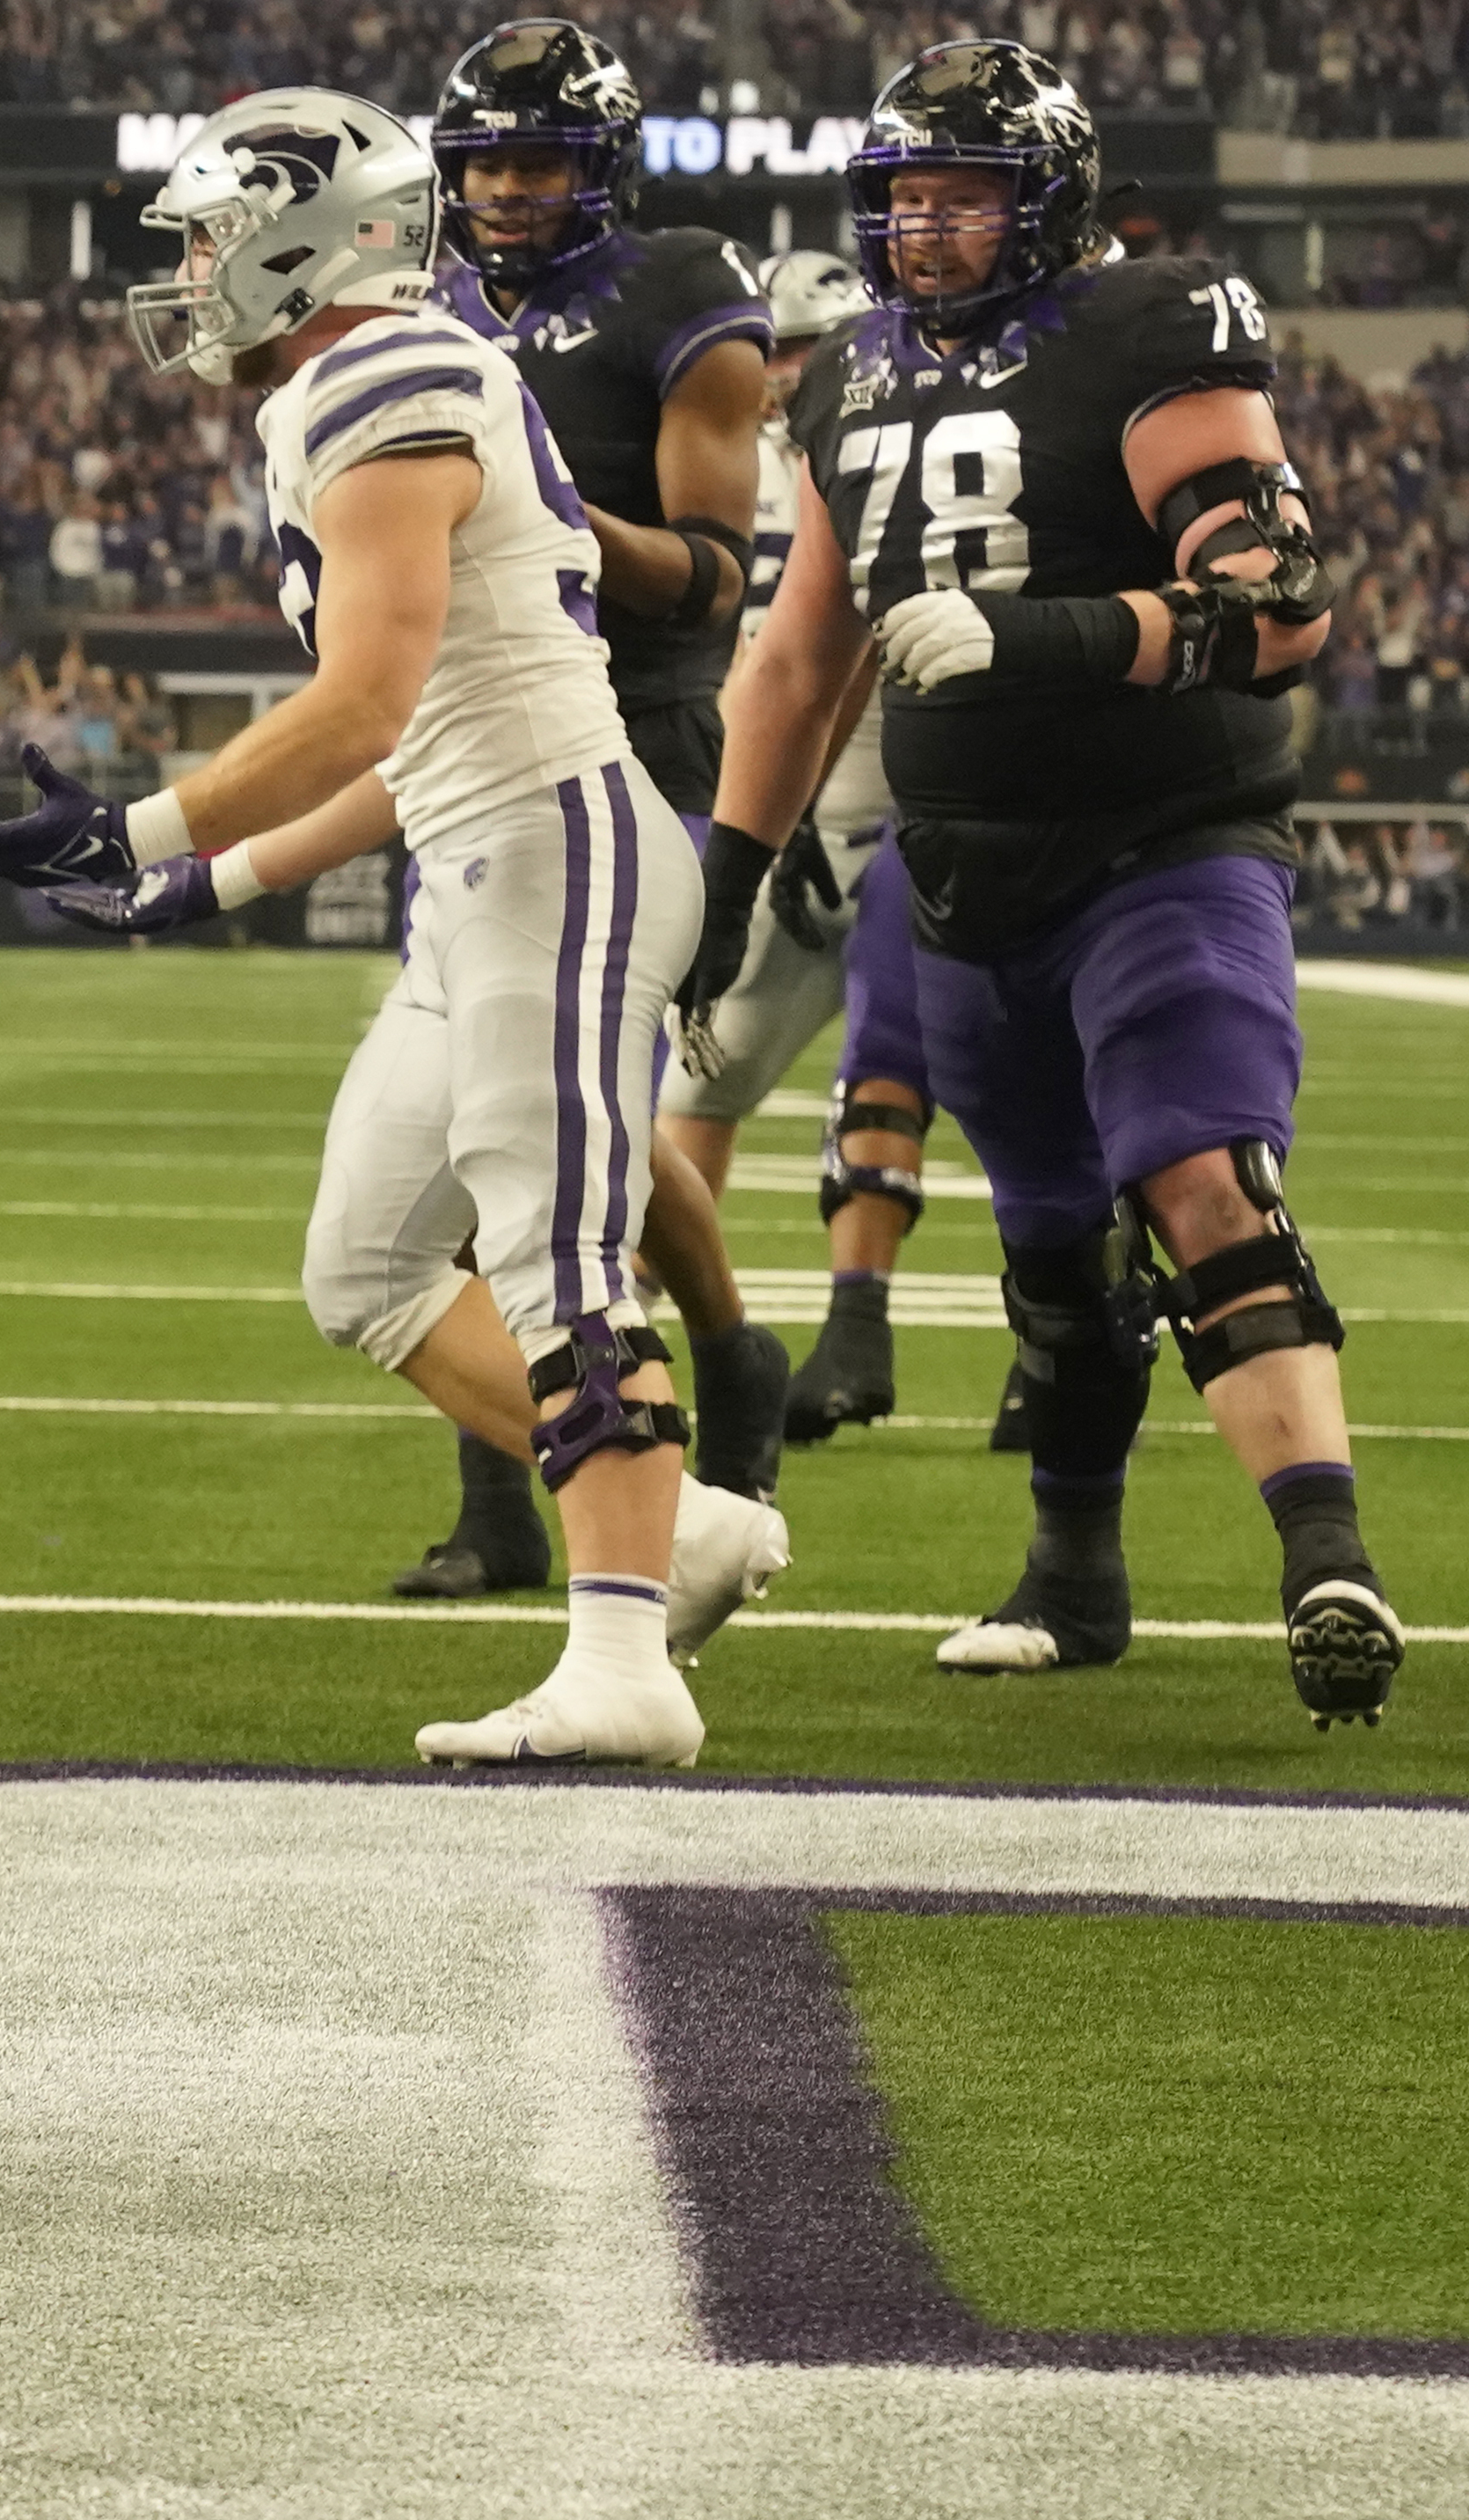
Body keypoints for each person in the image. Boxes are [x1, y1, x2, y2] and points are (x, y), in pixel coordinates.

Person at [0, 88, 788, 1766]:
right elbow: (410, 747)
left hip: (556, 850)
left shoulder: (390, 377)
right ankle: (674, 1525)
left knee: (553, 1252)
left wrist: (142, 824)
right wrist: (199, 885)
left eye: (205, 238)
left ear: (300, 237)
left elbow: (362, 699)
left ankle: (624, 1662)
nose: (187, 274)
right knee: (368, 1263)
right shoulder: (355, 386)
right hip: (484, 853)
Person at [694, 40, 1404, 1725]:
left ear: (1051, 199)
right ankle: (1072, 1575)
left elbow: (1281, 605)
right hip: (960, 879)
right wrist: (721, 880)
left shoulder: (1151, 329)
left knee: (1203, 1181)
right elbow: (797, 666)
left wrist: (1052, 633)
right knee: (1051, 1263)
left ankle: (1327, 1562)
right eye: (902, 199)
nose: (924, 231)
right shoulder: (844, 378)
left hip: (1163, 843)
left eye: (963, 196)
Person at [384, 16, 793, 1600]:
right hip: (476, 733)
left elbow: (709, 576)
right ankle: (693, 1378)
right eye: (479, 159)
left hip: (633, 724)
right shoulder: (425, 300)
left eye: (535, 158)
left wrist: (551, 530)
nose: (500, 188)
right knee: (528, 1105)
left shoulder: (681, 289)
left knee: (554, 1117)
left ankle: (551, 1485)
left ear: (601, 165)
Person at [655, 247, 938, 1443]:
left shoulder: (894, 445)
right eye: (765, 347)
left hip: (904, 811)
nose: (781, 374)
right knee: (690, 1086)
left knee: (899, 1070)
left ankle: (868, 1328)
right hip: (768, 823)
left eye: (804, 350)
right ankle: (683, 1338)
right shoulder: (713, 451)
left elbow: (854, 643)